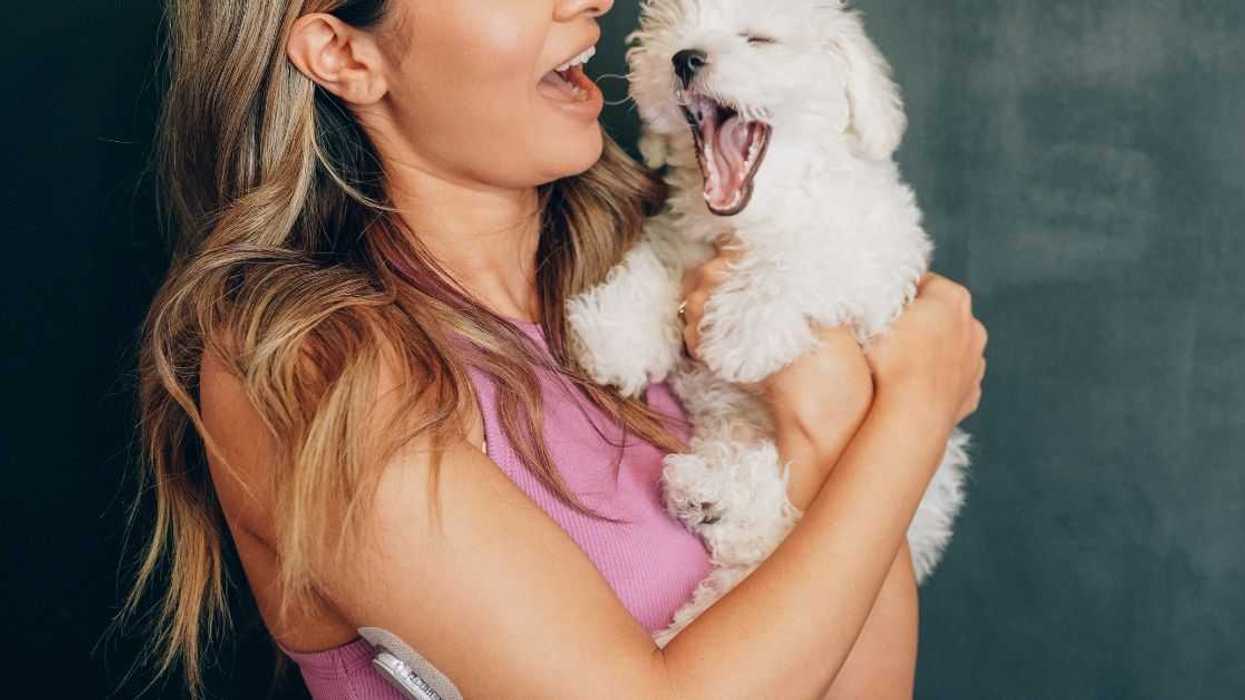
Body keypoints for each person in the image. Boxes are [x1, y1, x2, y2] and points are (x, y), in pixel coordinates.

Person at [117, 0, 988, 698]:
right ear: (344, 54)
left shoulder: (676, 271)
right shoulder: (306, 368)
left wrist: (823, 417)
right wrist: (908, 410)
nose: (593, 2)